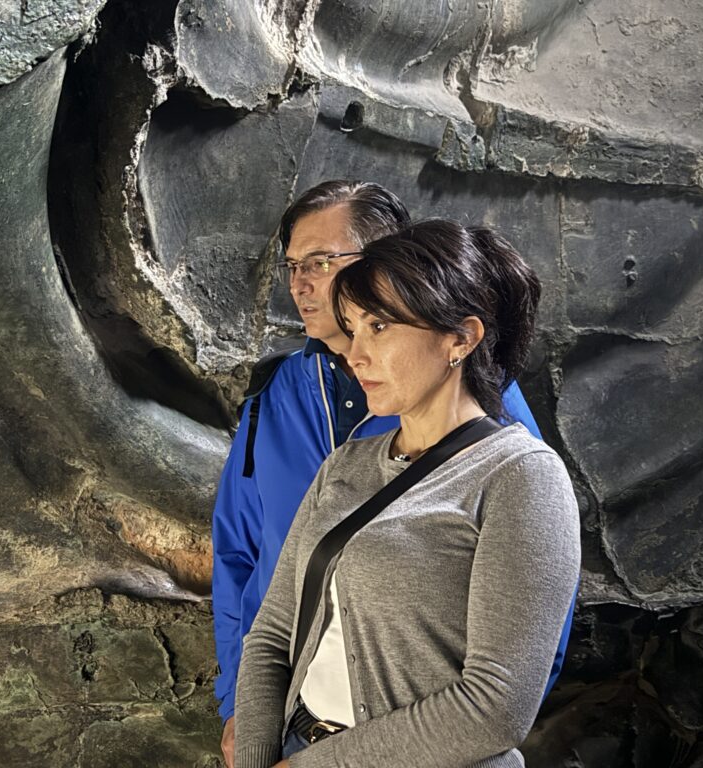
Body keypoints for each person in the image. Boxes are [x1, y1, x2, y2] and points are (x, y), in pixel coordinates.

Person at [211, 181, 568, 766]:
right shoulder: (337, 458)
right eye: (354, 328)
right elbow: (270, 625)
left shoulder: (519, 473)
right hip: (293, 741)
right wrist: (250, 738)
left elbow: (500, 700)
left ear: (460, 338)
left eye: (378, 326)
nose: (356, 352)